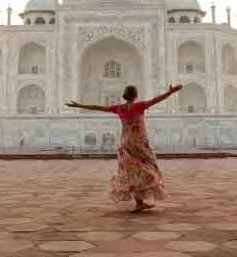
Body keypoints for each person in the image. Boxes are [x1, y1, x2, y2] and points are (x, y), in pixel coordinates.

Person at [66, 84, 182, 212]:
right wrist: (170, 92)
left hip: (126, 144)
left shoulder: (119, 108)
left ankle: (139, 202)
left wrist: (79, 106)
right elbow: (156, 100)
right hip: (139, 143)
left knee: (131, 171)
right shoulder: (139, 106)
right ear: (136, 95)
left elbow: (98, 107)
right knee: (149, 166)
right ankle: (143, 196)